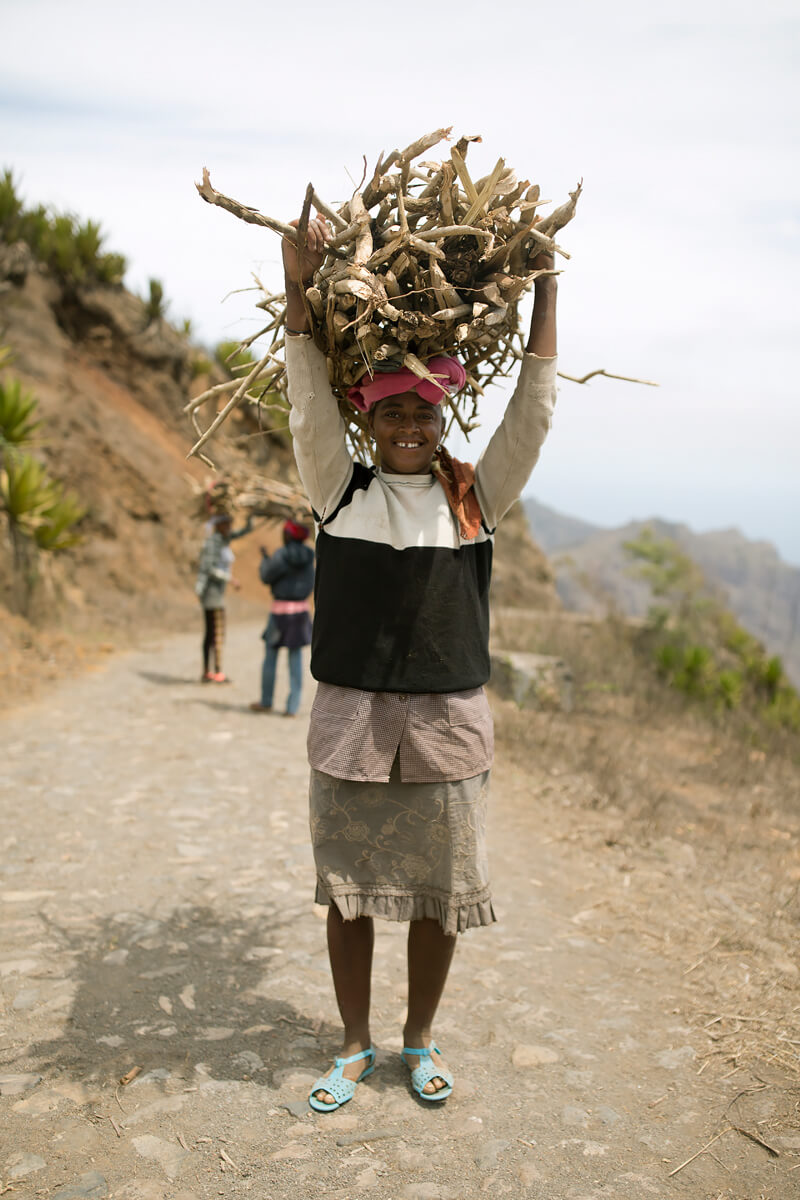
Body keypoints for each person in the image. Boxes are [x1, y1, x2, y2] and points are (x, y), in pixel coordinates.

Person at [282, 211, 558, 1111]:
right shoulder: (338, 489)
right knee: (351, 896)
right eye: (392, 409)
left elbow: (535, 410)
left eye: (422, 411)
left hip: (447, 725)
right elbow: (303, 397)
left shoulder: (477, 499)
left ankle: (419, 1040)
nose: (408, 423)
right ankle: (355, 1046)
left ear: (443, 420)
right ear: (368, 420)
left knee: (443, 896)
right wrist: (299, 283)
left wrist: (547, 287)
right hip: (353, 723)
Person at [249, 519, 315, 716]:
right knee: (295, 658)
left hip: (279, 612)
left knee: (271, 655)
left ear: (288, 535)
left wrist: (265, 559)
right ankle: (292, 707)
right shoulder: (310, 556)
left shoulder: (282, 554)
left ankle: (266, 701)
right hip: (301, 612)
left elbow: (266, 576)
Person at [195, 512, 252, 682]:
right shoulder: (213, 543)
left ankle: (208, 671)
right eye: (226, 524)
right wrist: (230, 579)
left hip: (214, 593)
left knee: (211, 632)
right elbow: (209, 568)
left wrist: (250, 518)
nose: (229, 527)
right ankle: (216, 672)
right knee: (217, 632)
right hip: (211, 593)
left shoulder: (222, 540)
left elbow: (241, 532)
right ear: (218, 525)